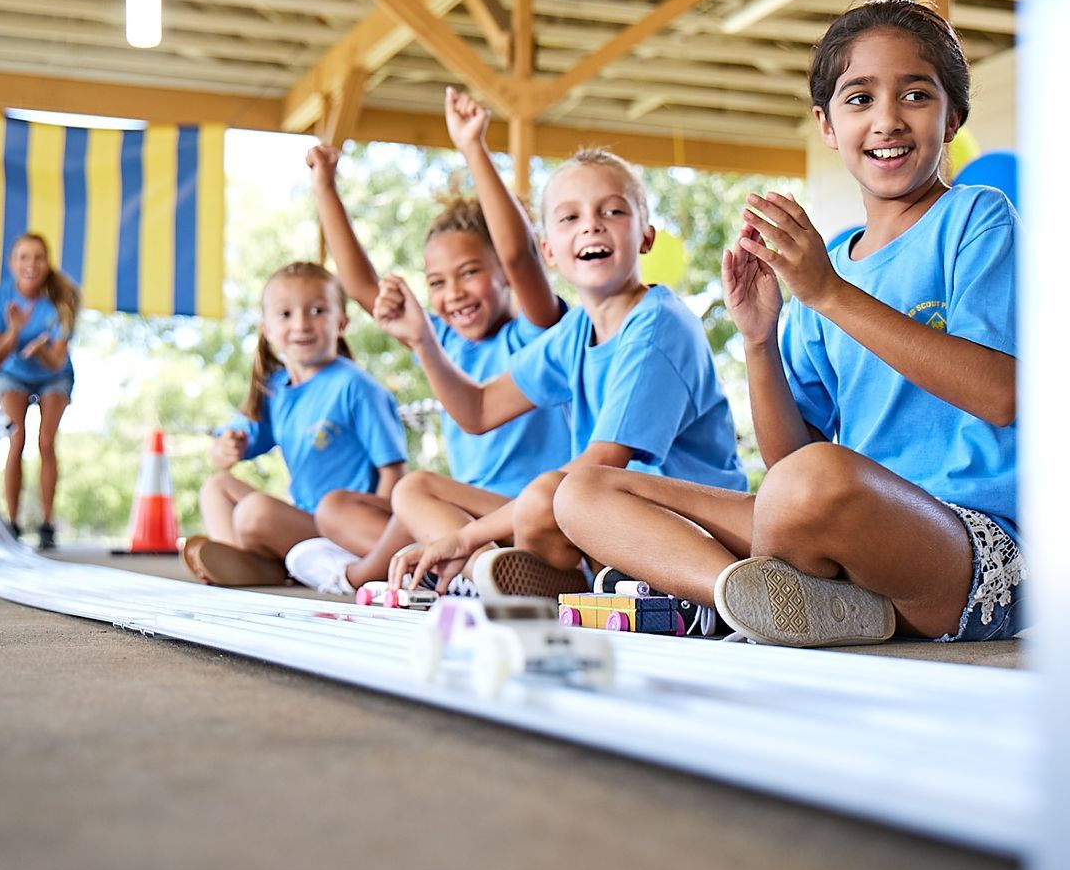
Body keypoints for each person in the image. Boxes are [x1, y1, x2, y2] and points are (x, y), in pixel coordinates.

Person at [553, 0, 1025, 647]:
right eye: (859, 99)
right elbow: (786, 462)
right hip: (837, 532)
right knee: (582, 490)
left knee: (817, 482)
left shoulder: (977, 218)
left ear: (953, 119)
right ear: (826, 124)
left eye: (915, 95)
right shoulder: (825, 266)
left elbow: (1000, 394)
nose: (887, 120)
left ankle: (767, 595)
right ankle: (744, 596)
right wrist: (758, 338)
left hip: (967, 549)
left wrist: (828, 294)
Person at [377, 145, 746, 610]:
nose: (591, 224)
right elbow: (478, 411)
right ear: (550, 250)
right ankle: (500, 575)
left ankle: (665, 591)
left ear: (646, 236)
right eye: (569, 218)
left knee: (550, 495)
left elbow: (601, 464)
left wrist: (465, 535)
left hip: (685, 529)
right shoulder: (575, 331)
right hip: (598, 518)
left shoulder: (657, 326)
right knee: (416, 488)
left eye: (612, 211)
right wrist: (421, 341)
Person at [281, 87, 571, 595]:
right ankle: (471, 566)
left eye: (469, 273)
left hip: (529, 516)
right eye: (437, 282)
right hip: (463, 512)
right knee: (336, 506)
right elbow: (365, 290)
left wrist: (473, 148)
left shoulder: (539, 329)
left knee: (412, 489)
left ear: (503, 274)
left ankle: (369, 574)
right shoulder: (442, 342)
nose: (453, 293)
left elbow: (522, 255)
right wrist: (325, 187)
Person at [183, 262, 408, 587]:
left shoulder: (355, 386)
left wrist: (382, 542)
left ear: (341, 322)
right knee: (215, 487)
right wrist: (225, 449)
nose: (301, 323)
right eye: (285, 314)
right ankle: (241, 563)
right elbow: (229, 451)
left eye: (317, 311)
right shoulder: (275, 389)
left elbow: (394, 473)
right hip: (305, 522)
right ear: (267, 329)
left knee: (253, 513)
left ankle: (259, 566)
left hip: (344, 529)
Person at [0, 232, 79, 551]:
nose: (31, 264)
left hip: (53, 374)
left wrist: (39, 349)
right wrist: (14, 331)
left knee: (46, 441)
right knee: (16, 438)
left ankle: (47, 522)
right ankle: (11, 521)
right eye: (23, 257)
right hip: (13, 374)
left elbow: (55, 361)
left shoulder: (62, 299)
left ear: (46, 262)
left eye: (38, 257)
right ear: (12, 263)